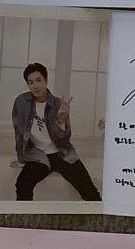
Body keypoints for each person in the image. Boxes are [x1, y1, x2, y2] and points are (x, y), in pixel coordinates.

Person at [11, 63, 101, 201]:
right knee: (22, 185)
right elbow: (18, 133)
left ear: (46, 80)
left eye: (39, 80)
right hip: (37, 156)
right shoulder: (21, 102)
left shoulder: (58, 104)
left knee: (89, 191)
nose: (35, 85)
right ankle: (26, 216)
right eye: (31, 82)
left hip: (62, 154)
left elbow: (64, 140)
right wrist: (21, 158)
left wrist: (61, 120)